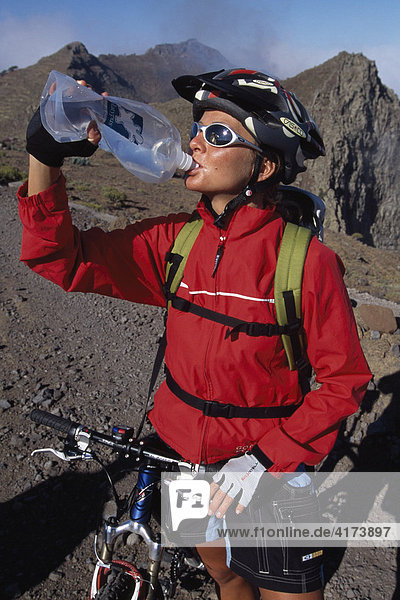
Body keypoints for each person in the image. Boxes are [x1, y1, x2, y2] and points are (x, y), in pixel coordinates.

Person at [18, 68, 372, 599]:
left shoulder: (307, 263)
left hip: (269, 475)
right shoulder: (175, 242)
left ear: (265, 164)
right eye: (198, 129)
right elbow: (61, 259)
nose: (196, 142)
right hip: (183, 462)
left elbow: (344, 381)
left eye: (220, 134)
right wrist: (45, 153)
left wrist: (264, 459)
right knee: (223, 574)